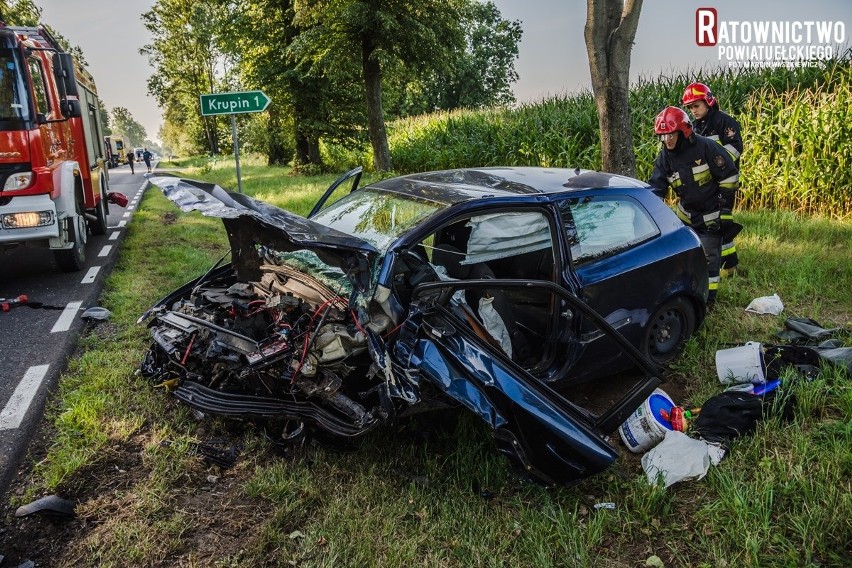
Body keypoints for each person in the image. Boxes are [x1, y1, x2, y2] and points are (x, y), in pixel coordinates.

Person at [649, 106, 740, 306]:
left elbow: (729, 176)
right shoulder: (665, 157)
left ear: (684, 131)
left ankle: (708, 303)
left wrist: (724, 210)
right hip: (685, 218)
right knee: (684, 258)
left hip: (711, 216)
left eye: (671, 134)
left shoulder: (705, 147)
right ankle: (686, 296)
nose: (667, 140)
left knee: (709, 261)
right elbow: (657, 188)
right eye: (663, 136)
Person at [682, 82, 744, 277]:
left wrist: (712, 165)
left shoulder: (724, 122)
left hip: (724, 183)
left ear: (708, 102)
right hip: (705, 185)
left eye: (697, 105)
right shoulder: (694, 128)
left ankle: (727, 267)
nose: (694, 111)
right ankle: (729, 265)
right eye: (690, 107)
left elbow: (734, 150)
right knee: (715, 225)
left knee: (717, 224)